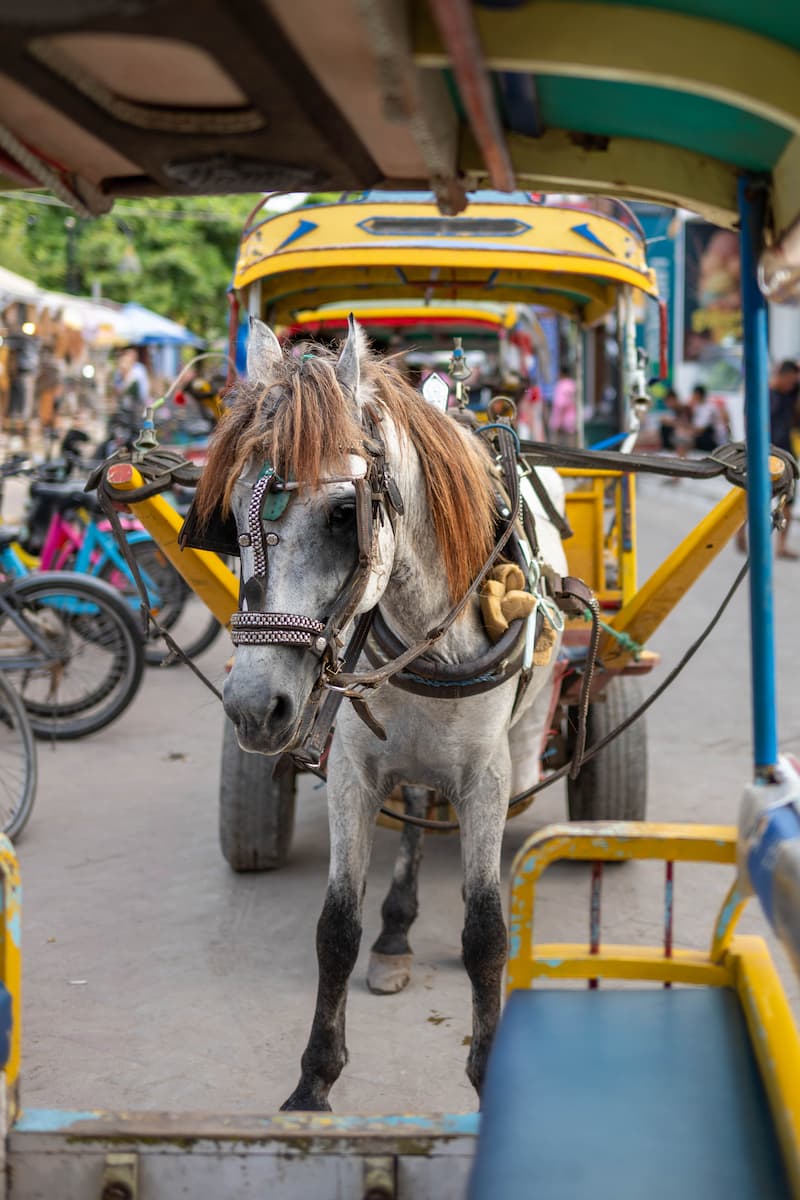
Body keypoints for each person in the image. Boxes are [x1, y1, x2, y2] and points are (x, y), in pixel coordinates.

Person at [736, 358, 799, 558]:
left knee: (787, 500)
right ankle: (739, 532)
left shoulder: (791, 394)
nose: (791, 384)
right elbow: (748, 420)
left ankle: (781, 546)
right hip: (763, 453)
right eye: (788, 380)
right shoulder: (761, 394)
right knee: (753, 497)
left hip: (786, 454)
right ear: (779, 376)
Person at [549, 369, 578, 447]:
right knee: (570, 439)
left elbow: (560, 403)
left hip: (560, 415)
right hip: (571, 415)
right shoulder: (572, 384)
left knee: (556, 441)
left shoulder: (561, 385)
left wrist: (559, 418)